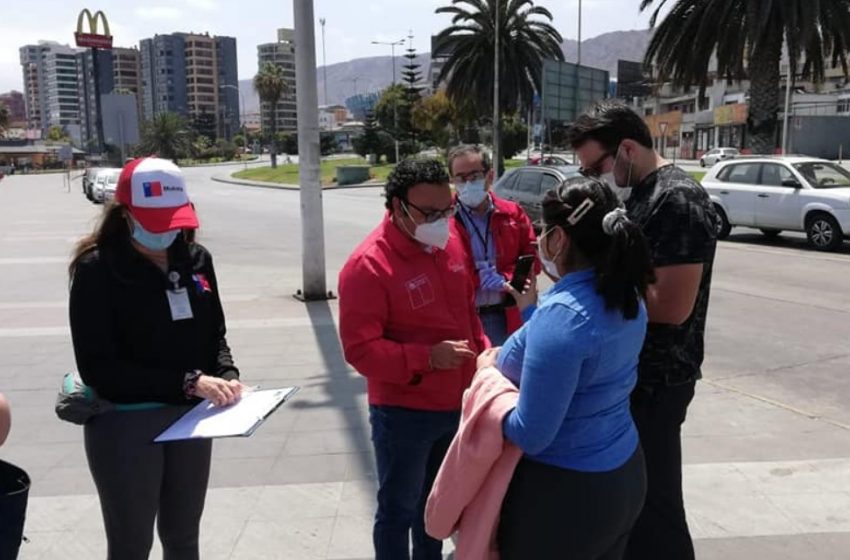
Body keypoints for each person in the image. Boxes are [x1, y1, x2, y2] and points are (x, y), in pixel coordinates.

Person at [68, 156, 244, 560]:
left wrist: (226, 374)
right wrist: (187, 381)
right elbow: (99, 367)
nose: (166, 230)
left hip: (191, 420)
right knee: (132, 544)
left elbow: (214, 333)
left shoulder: (197, 260)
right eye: (154, 219)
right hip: (127, 422)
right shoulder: (98, 269)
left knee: (184, 538)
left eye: (173, 219)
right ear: (125, 213)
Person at [567, 101, 718, 560]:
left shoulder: (677, 199)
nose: (596, 177)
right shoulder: (645, 193)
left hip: (659, 381)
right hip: (636, 378)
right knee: (632, 508)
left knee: (655, 510)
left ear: (627, 148)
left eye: (598, 166)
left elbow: (671, 307)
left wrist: (594, 287)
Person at [485, 176, 653, 559]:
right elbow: (574, 357)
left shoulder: (563, 318)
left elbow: (532, 435)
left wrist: (488, 397)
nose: (540, 240)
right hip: (621, 474)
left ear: (558, 239)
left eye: (544, 231)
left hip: (565, 496)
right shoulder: (623, 293)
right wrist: (532, 312)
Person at [338, 158, 490, 560]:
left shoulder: (450, 240)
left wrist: (485, 351)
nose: (441, 220)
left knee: (437, 508)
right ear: (396, 206)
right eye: (430, 213)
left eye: (447, 209)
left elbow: (468, 310)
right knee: (398, 511)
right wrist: (427, 358)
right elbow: (360, 350)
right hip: (404, 414)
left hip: (456, 405)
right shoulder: (368, 266)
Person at [449, 144, 538, 345]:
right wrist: (476, 278)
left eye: (474, 175)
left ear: (490, 176)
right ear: (452, 180)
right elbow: (439, 269)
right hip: (464, 317)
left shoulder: (513, 213)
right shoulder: (443, 218)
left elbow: (533, 258)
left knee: (504, 374)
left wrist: (506, 277)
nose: (467, 182)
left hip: (507, 315)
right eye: (460, 178)